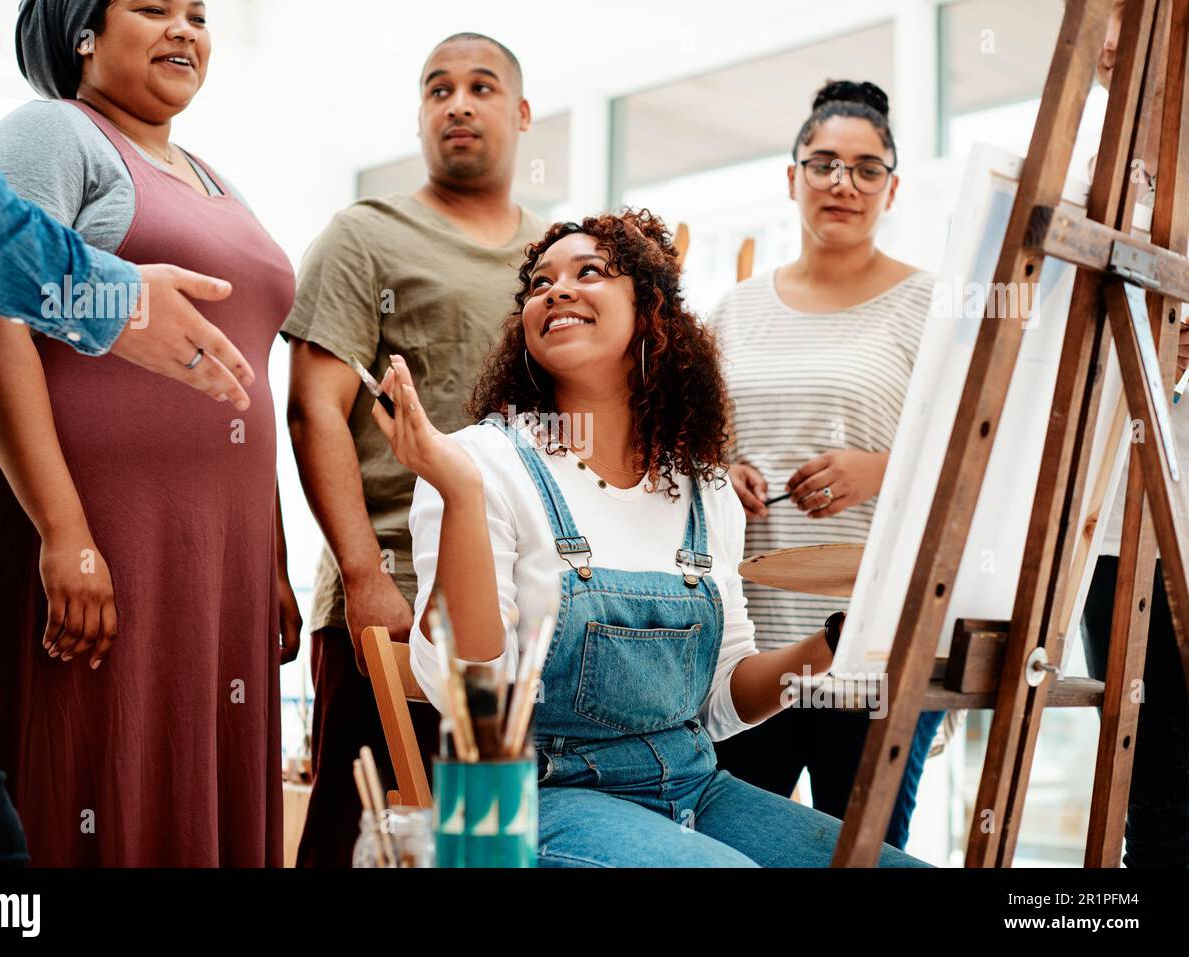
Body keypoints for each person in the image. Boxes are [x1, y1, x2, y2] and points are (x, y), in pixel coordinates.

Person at [383, 208, 925, 866]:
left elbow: (725, 697)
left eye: (589, 272)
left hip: (696, 788)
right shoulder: (478, 464)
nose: (555, 290)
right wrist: (460, 493)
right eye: (538, 283)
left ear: (651, 313)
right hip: (525, 798)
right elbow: (465, 691)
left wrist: (835, 641)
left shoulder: (704, 489)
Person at [0, 0, 257, 867]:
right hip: (14, 506)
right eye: (153, 8)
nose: (183, 29)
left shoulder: (216, 176)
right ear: (81, 33)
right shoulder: (54, 132)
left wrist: (263, 553)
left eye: (198, 14)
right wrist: (67, 529)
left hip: (207, 557)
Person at [282, 32, 547, 867]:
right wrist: (364, 576)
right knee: (362, 837)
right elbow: (311, 409)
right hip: (391, 599)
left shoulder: (556, 262)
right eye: (438, 90)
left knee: (480, 843)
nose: (458, 103)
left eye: (481, 86)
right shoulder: (365, 236)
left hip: (513, 612)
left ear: (523, 111)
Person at [707, 80, 943, 851]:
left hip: (872, 642)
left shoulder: (932, 306)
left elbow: (979, 464)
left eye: (867, 168)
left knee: (862, 853)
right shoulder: (734, 310)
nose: (843, 182)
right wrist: (722, 470)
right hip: (748, 653)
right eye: (824, 163)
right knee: (736, 849)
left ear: (892, 187)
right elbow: (688, 446)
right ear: (792, 177)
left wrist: (881, 470)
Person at [1081, 0, 1189, 867]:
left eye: (1128, 31)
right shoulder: (1092, 174)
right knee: (1147, 790)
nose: (1108, 52)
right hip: (1118, 530)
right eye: (1103, 42)